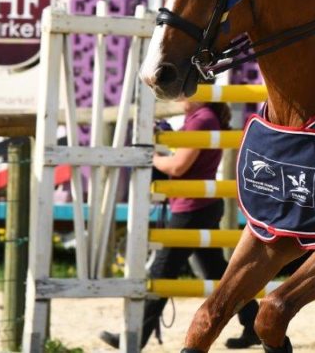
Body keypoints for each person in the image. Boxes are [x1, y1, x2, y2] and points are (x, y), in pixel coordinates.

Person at [99, 101, 259, 350]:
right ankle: (254, 324)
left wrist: (150, 156)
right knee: (218, 272)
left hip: (191, 209)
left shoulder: (200, 119)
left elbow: (178, 165)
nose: (176, 97)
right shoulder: (202, 117)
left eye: (182, 92)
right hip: (198, 206)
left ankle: (133, 339)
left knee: (162, 272)